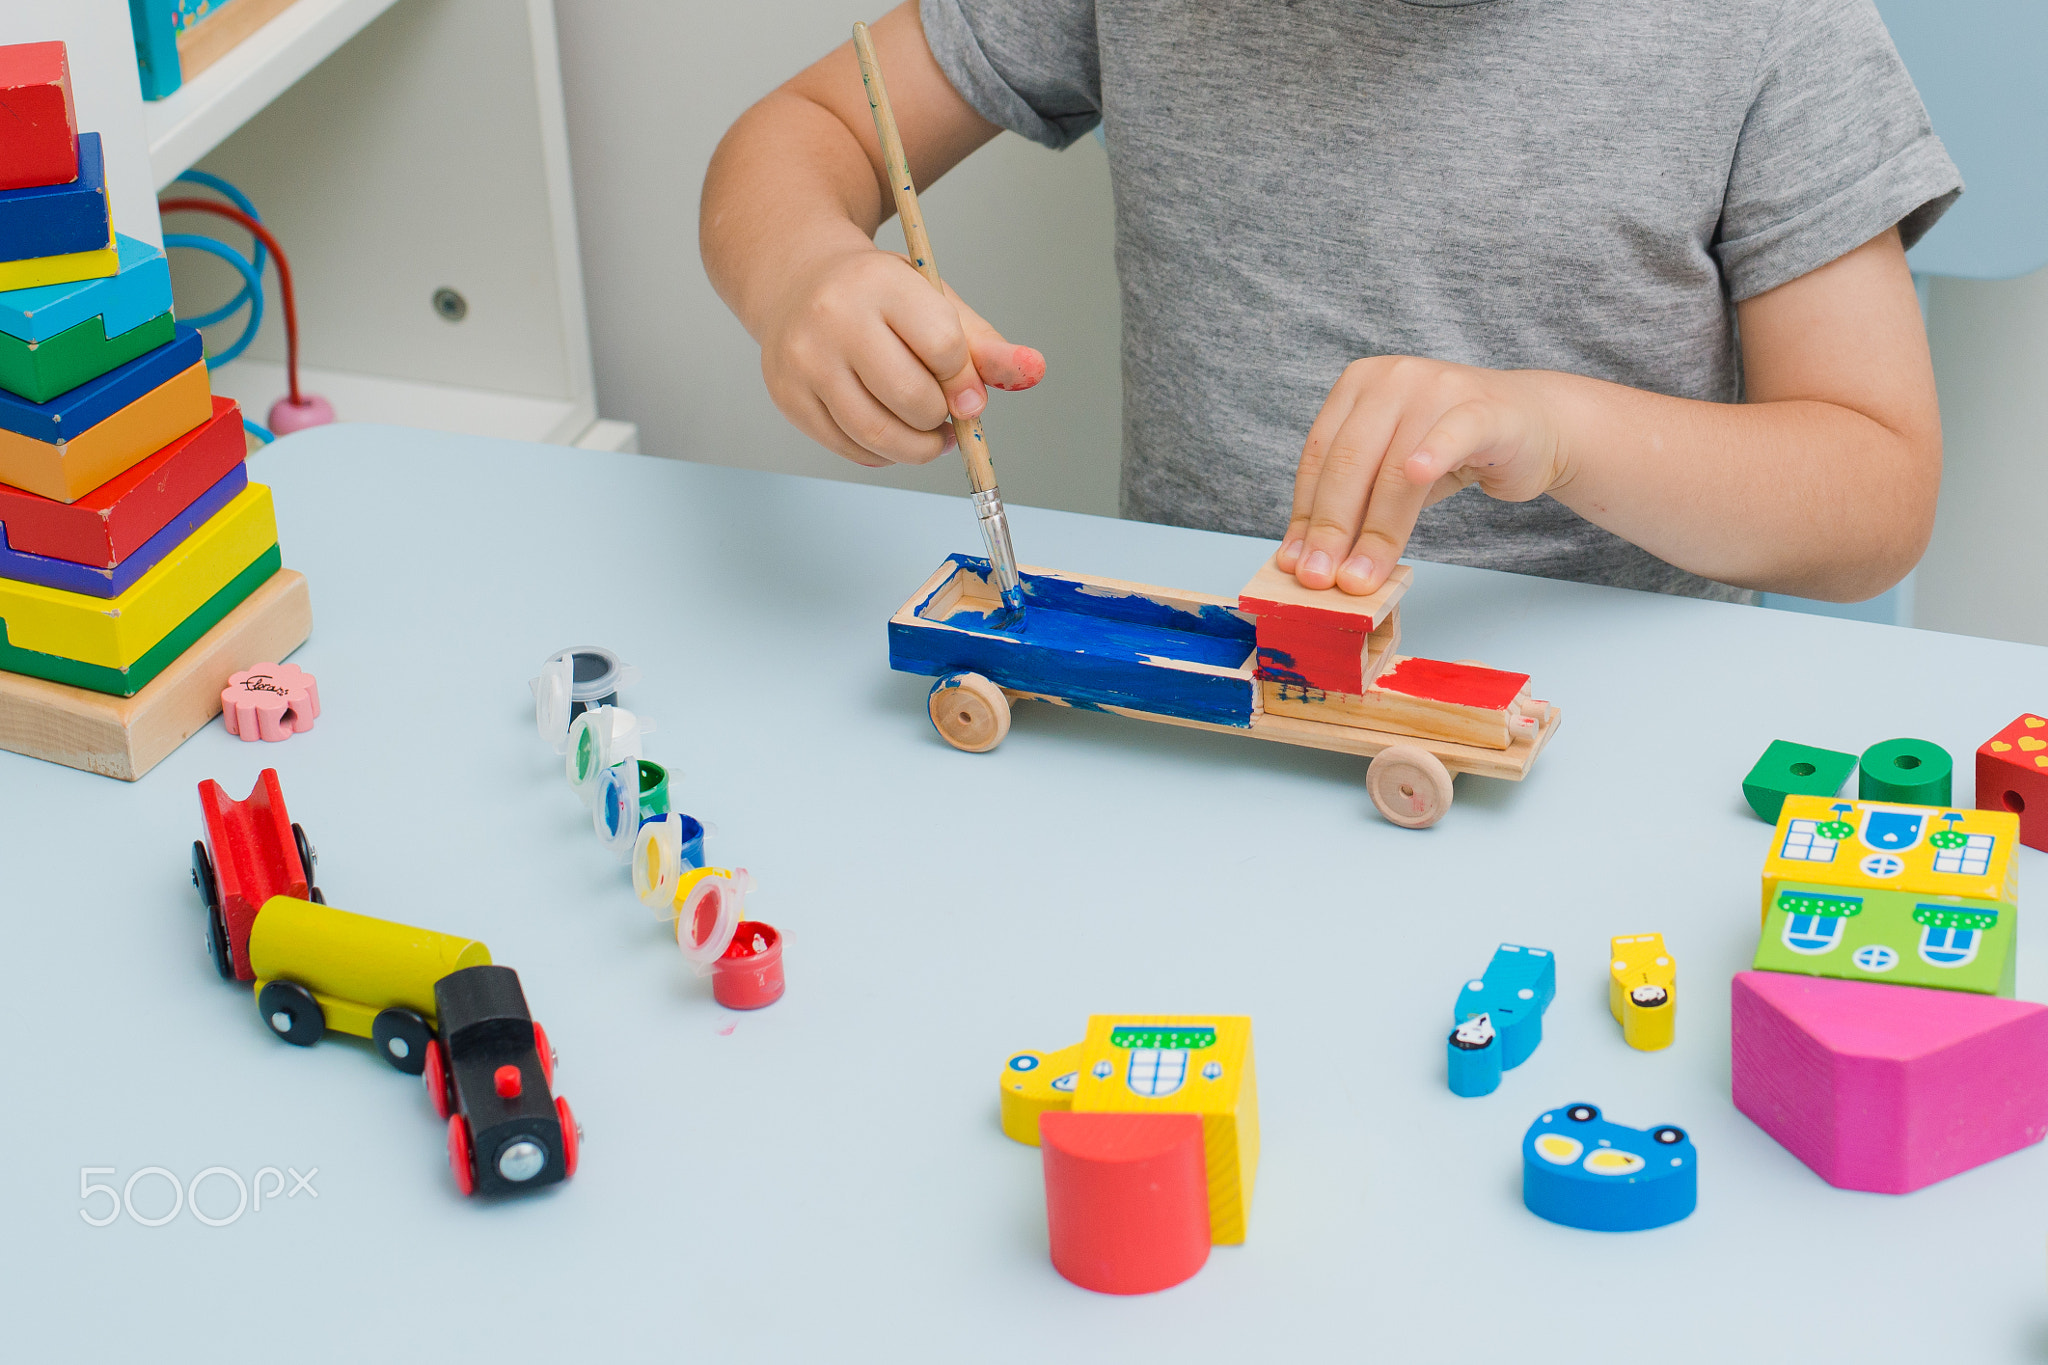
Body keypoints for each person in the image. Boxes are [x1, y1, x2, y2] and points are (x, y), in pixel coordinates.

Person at [701, 1, 1959, 603]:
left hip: (1588, 718)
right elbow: (810, 128)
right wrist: (802, 271)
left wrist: (1557, 432)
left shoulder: (1775, 29)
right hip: (1206, 686)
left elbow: (1872, 491)